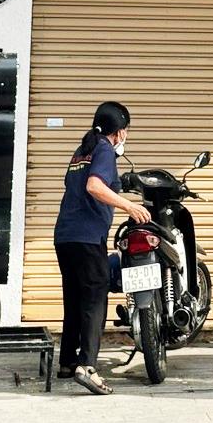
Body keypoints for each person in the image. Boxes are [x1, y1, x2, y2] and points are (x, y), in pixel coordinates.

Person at [53, 101, 150, 394]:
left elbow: (76, 185)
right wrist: (129, 206)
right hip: (87, 237)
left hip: (65, 236)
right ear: (119, 131)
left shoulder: (82, 150)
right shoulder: (105, 150)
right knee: (95, 300)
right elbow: (94, 186)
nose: (125, 135)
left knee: (74, 299)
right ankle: (88, 367)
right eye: (126, 130)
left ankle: (67, 362)